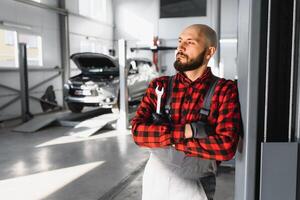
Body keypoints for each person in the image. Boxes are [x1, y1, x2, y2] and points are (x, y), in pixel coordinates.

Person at [131, 24, 241, 200]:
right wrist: (188, 131)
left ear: (209, 52)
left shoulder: (224, 90)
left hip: (195, 187)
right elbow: (138, 133)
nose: (180, 47)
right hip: (155, 183)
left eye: (190, 42)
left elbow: (225, 147)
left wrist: (169, 141)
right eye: (180, 41)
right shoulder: (160, 86)